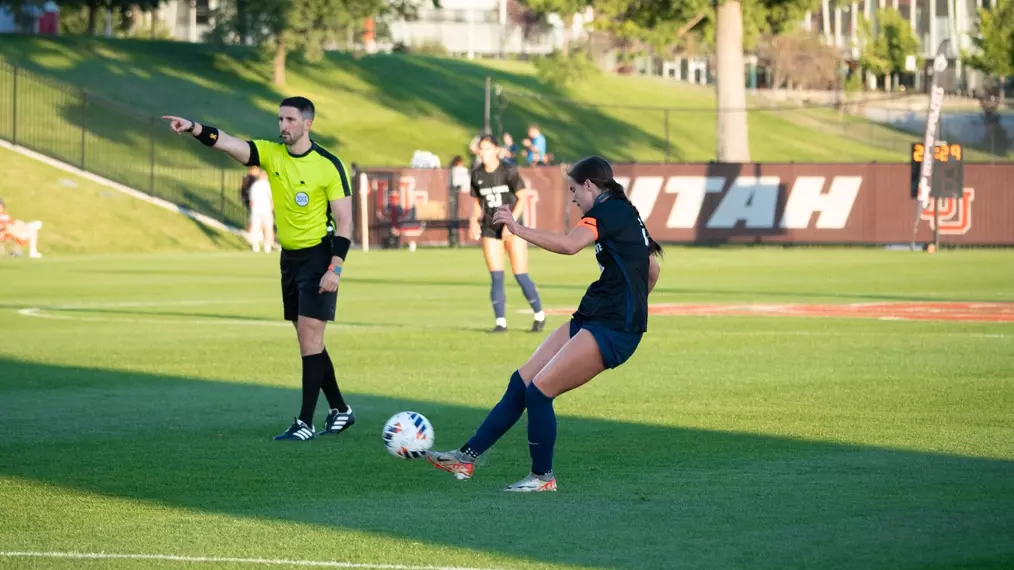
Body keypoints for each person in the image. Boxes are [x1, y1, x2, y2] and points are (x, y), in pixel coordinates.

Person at [427, 155, 663, 492]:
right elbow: (651, 269)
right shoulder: (623, 211)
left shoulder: (607, 211)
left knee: (540, 391)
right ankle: (466, 457)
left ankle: (542, 478)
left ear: (590, 185)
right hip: (597, 315)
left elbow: (569, 245)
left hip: (613, 327)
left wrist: (517, 228)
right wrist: (636, 301)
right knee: (522, 382)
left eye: (574, 190)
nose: (573, 198)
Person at [162, 97, 357, 442]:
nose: (283, 125)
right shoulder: (271, 153)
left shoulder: (328, 164)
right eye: (280, 119)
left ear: (307, 124)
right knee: (308, 338)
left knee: (309, 339)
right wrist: (193, 128)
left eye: (290, 120)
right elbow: (228, 143)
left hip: (320, 257)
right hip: (290, 259)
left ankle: (305, 422)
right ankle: (340, 409)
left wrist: (335, 269)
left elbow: (345, 223)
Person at [468, 134, 545, 333]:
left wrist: (510, 224)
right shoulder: (477, 174)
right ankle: (500, 322)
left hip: (512, 228)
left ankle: (539, 315)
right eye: (481, 149)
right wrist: (473, 221)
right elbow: (477, 201)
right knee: (496, 276)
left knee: (520, 274)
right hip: (489, 227)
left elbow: (522, 197)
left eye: (487, 148)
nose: (483, 153)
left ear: (495, 150)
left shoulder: (508, 170)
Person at [247, 166, 275, 253]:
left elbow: (251, 200)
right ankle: (267, 246)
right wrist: (272, 208)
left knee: (255, 228)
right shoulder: (268, 185)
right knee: (268, 228)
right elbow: (271, 199)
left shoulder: (254, 186)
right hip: (266, 210)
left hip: (256, 210)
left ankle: (255, 246)